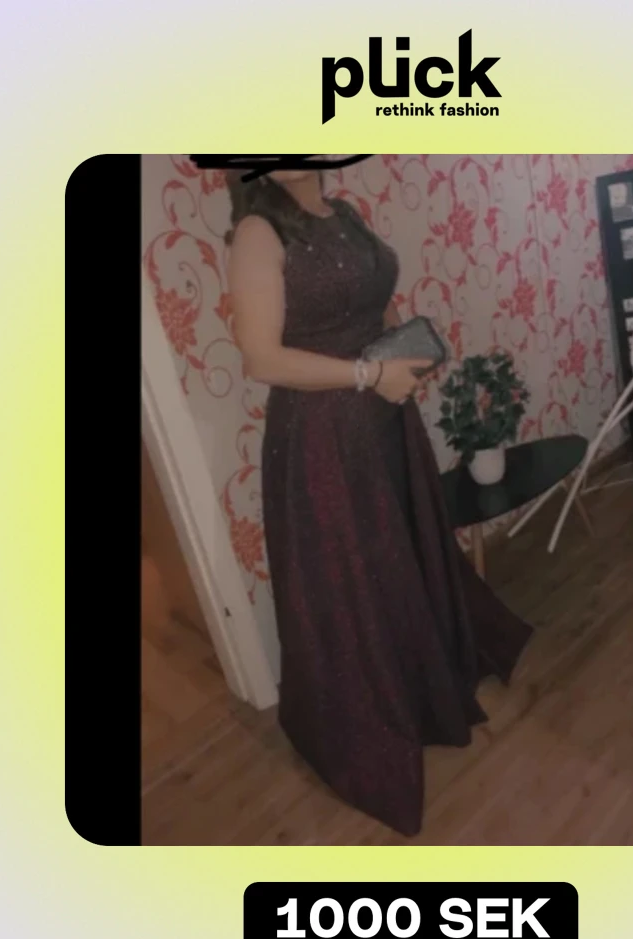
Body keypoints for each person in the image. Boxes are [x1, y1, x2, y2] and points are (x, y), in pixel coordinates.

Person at [225, 162, 534, 837]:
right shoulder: (258, 232)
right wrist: (370, 373)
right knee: (353, 575)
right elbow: (262, 359)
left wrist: (404, 349)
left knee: (400, 554)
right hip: (321, 437)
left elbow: (374, 303)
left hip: (384, 417)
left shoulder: (345, 216)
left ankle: (424, 682)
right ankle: (374, 715)